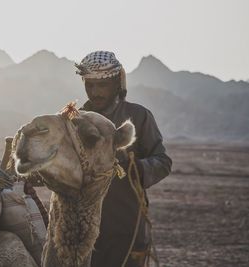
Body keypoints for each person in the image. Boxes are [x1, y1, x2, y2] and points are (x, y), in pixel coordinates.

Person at [75, 51, 172, 267]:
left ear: (117, 83)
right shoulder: (75, 121)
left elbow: (163, 162)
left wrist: (134, 168)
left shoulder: (138, 116)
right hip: (83, 228)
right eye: (90, 85)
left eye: (102, 86)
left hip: (127, 225)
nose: (95, 92)